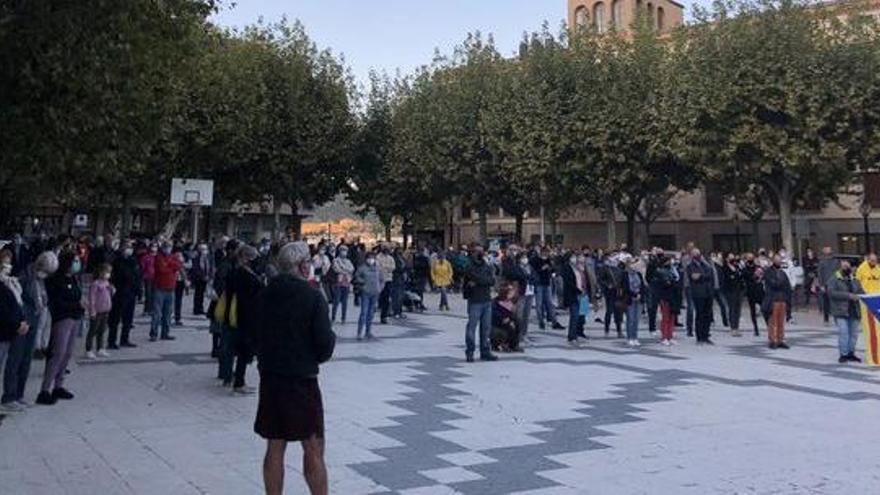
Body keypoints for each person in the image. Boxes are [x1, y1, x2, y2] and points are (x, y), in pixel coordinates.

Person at [253, 241, 335, 495]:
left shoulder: (263, 294)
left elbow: (252, 333)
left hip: (271, 377)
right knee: (312, 445)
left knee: (274, 445)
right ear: (302, 267)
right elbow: (324, 344)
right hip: (302, 380)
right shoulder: (312, 297)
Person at [2, 251, 57, 411]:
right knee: (15, 359)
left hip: (34, 319)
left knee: (26, 360)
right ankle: (9, 396)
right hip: (22, 322)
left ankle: (19, 394)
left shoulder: (40, 280)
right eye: (45, 270)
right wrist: (21, 320)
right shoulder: (25, 276)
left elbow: (42, 296)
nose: (45, 274)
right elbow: (18, 300)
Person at [37, 251, 85, 405]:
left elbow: (77, 296)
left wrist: (81, 306)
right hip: (62, 318)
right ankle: (45, 389)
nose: (77, 263)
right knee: (58, 353)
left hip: (74, 318)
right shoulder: (56, 280)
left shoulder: (74, 278)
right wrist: (76, 305)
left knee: (67, 353)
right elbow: (56, 302)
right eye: (75, 261)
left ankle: (59, 385)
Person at [223, 245, 264, 394]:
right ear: (246, 258)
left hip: (241, 316)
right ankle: (239, 382)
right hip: (245, 317)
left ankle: (237, 380)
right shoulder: (243, 275)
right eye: (253, 258)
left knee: (242, 350)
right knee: (244, 350)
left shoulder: (238, 273)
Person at [0, 253, 28, 414]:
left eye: (9, 264)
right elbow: (3, 311)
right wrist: (17, 323)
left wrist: (22, 321)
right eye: (4, 264)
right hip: (4, 331)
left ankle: (11, 395)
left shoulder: (10, 284)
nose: (8, 267)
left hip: (10, 331)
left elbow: (18, 305)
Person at [462, 245, 498, 363]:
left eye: (481, 251)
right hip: (474, 300)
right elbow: (475, 277)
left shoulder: (486, 265)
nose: (480, 253)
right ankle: (470, 351)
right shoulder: (469, 266)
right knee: (472, 327)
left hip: (486, 299)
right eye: (477, 251)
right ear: (472, 253)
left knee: (486, 328)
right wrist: (483, 280)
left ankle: (485, 351)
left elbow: (492, 280)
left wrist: (479, 281)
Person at [827, 260, 864, 363]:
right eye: (845, 266)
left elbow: (861, 291)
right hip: (840, 311)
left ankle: (851, 353)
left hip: (854, 310)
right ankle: (843, 354)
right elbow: (831, 293)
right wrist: (848, 296)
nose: (848, 268)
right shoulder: (834, 278)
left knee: (854, 334)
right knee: (844, 333)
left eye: (849, 266)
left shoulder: (854, 279)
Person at [108, 242, 141, 349]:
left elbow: (137, 275)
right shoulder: (117, 260)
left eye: (130, 248)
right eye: (127, 247)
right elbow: (118, 275)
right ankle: (111, 341)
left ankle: (124, 339)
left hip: (131, 292)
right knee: (115, 318)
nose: (129, 250)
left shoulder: (133, 261)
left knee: (128, 318)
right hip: (120, 292)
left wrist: (138, 290)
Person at [150, 242, 182, 342]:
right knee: (157, 312)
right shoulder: (158, 257)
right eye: (166, 247)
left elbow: (179, 266)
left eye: (169, 247)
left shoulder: (172, 257)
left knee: (168, 313)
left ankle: (165, 333)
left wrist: (169, 265)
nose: (168, 249)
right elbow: (161, 269)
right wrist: (171, 266)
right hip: (160, 288)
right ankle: (153, 333)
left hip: (171, 288)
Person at [763, 255, 792, 350]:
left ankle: (780, 340)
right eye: (777, 260)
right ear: (773, 261)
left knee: (781, 321)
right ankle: (772, 340)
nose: (779, 262)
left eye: (780, 260)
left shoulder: (783, 273)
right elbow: (773, 284)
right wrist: (781, 282)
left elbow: (787, 286)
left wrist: (788, 299)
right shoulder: (768, 272)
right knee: (773, 321)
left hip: (782, 299)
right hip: (773, 300)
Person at [531, 248, 564, 330]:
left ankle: (554, 321)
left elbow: (552, 270)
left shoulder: (549, 260)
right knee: (539, 304)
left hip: (547, 283)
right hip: (539, 284)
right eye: (545, 253)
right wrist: (542, 268)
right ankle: (541, 321)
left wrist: (551, 269)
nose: (546, 255)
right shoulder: (535, 260)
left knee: (550, 303)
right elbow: (535, 271)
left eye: (547, 253)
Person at [85, 263, 114, 359]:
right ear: (101, 272)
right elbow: (92, 298)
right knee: (93, 330)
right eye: (106, 272)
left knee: (102, 330)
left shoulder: (107, 283)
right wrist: (92, 310)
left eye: (109, 272)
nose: (108, 274)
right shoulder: (95, 284)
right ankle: (89, 349)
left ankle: (100, 348)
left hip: (105, 310)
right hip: (97, 310)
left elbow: (109, 295)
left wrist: (112, 290)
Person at [687, 249, 715, 345]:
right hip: (698, 293)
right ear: (692, 255)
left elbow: (710, 274)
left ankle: (706, 335)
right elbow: (694, 277)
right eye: (695, 254)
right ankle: (699, 337)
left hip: (708, 292)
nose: (698, 255)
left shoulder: (705, 265)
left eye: (699, 253)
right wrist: (702, 276)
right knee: (700, 315)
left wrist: (701, 276)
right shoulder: (690, 266)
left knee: (707, 315)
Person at [354, 252, 384, 340]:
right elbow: (356, 277)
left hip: (375, 293)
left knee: (371, 313)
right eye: (369, 258)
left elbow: (382, 279)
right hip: (365, 293)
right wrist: (362, 284)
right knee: (364, 312)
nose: (371, 260)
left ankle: (368, 331)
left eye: (373, 258)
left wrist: (380, 288)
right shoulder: (362, 268)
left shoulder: (378, 269)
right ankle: (359, 332)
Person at [560, 252, 584, 347]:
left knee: (577, 315)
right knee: (574, 315)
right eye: (573, 257)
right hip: (572, 294)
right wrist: (578, 290)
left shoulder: (577, 267)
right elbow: (569, 282)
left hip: (579, 294)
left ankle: (575, 334)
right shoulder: (566, 268)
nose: (575, 259)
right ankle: (571, 337)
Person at [653, 255, 678, 346]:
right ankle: (664, 337)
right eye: (668, 261)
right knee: (666, 317)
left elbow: (675, 280)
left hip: (672, 296)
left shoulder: (671, 270)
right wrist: (671, 282)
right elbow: (667, 283)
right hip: (665, 297)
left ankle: (670, 336)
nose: (670, 262)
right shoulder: (660, 271)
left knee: (672, 317)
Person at [599, 254, 624, 338]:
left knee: (618, 312)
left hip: (618, 293)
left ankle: (619, 330)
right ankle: (606, 329)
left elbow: (622, 280)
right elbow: (601, 279)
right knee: (609, 311)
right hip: (609, 293)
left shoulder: (619, 269)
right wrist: (607, 285)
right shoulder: (605, 268)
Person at [491, 284, 522, 353]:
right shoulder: (495, 302)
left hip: (507, 322)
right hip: (497, 325)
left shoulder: (510, 303)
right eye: (510, 292)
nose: (512, 294)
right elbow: (496, 316)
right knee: (509, 326)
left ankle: (514, 345)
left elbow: (513, 316)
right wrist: (505, 319)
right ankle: (502, 343)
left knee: (517, 323)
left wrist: (512, 319)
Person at [720, 253, 746, 337]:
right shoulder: (724, 268)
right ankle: (732, 327)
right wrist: (734, 276)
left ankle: (737, 327)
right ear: (727, 259)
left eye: (733, 257)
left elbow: (740, 276)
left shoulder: (737, 266)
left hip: (739, 290)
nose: (733, 259)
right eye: (730, 258)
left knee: (738, 309)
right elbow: (728, 278)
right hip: (730, 291)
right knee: (732, 308)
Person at [622, 256, 645, 347]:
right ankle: (630, 338)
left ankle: (635, 337)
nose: (634, 265)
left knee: (636, 320)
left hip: (639, 299)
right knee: (630, 319)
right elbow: (625, 287)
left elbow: (642, 285)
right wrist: (634, 295)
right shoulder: (625, 274)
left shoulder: (638, 274)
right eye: (632, 263)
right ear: (628, 264)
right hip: (629, 299)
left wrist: (640, 294)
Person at [330, 245, 355, 324]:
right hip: (338, 283)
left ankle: (343, 318)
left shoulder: (348, 261)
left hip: (346, 283)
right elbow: (336, 269)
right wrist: (346, 270)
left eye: (345, 250)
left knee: (345, 302)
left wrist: (343, 269)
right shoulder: (335, 260)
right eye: (342, 250)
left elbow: (352, 269)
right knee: (336, 301)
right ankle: (333, 317)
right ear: (339, 251)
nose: (344, 252)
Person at [816, 247, 839, 324]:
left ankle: (836, 318)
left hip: (834, 284)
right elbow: (819, 274)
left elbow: (838, 272)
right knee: (826, 302)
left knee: (835, 302)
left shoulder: (836, 261)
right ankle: (826, 319)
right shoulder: (822, 262)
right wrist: (821, 284)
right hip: (826, 284)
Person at [190, 243, 213, 315]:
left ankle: (201, 308)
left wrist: (209, 276)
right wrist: (202, 276)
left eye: (205, 249)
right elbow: (196, 268)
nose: (204, 251)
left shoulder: (209, 258)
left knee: (202, 294)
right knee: (198, 294)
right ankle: (196, 309)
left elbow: (211, 267)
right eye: (202, 249)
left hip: (206, 278)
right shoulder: (196, 258)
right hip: (199, 278)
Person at [376, 245, 396, 324]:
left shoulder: (390, 258)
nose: (386, 250)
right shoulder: (378, 257)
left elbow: (393, 267)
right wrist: (387, 268)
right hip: (380, 280)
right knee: (381, 297)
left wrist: (385, 267)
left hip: (388, 280)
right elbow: (379, 267)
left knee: (386, 298)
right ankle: (379, 310)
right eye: (385, 248)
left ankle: (384, 316)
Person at [140, 244, 158, 315]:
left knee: (154, 294)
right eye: (153, 246)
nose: (154, 248)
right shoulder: (146, 257)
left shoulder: (158, 257)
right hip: (147, 277)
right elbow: (142, 267)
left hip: (156, 277)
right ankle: (146, 309)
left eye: (155, 246)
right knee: (148, 294)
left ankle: (152, 309)